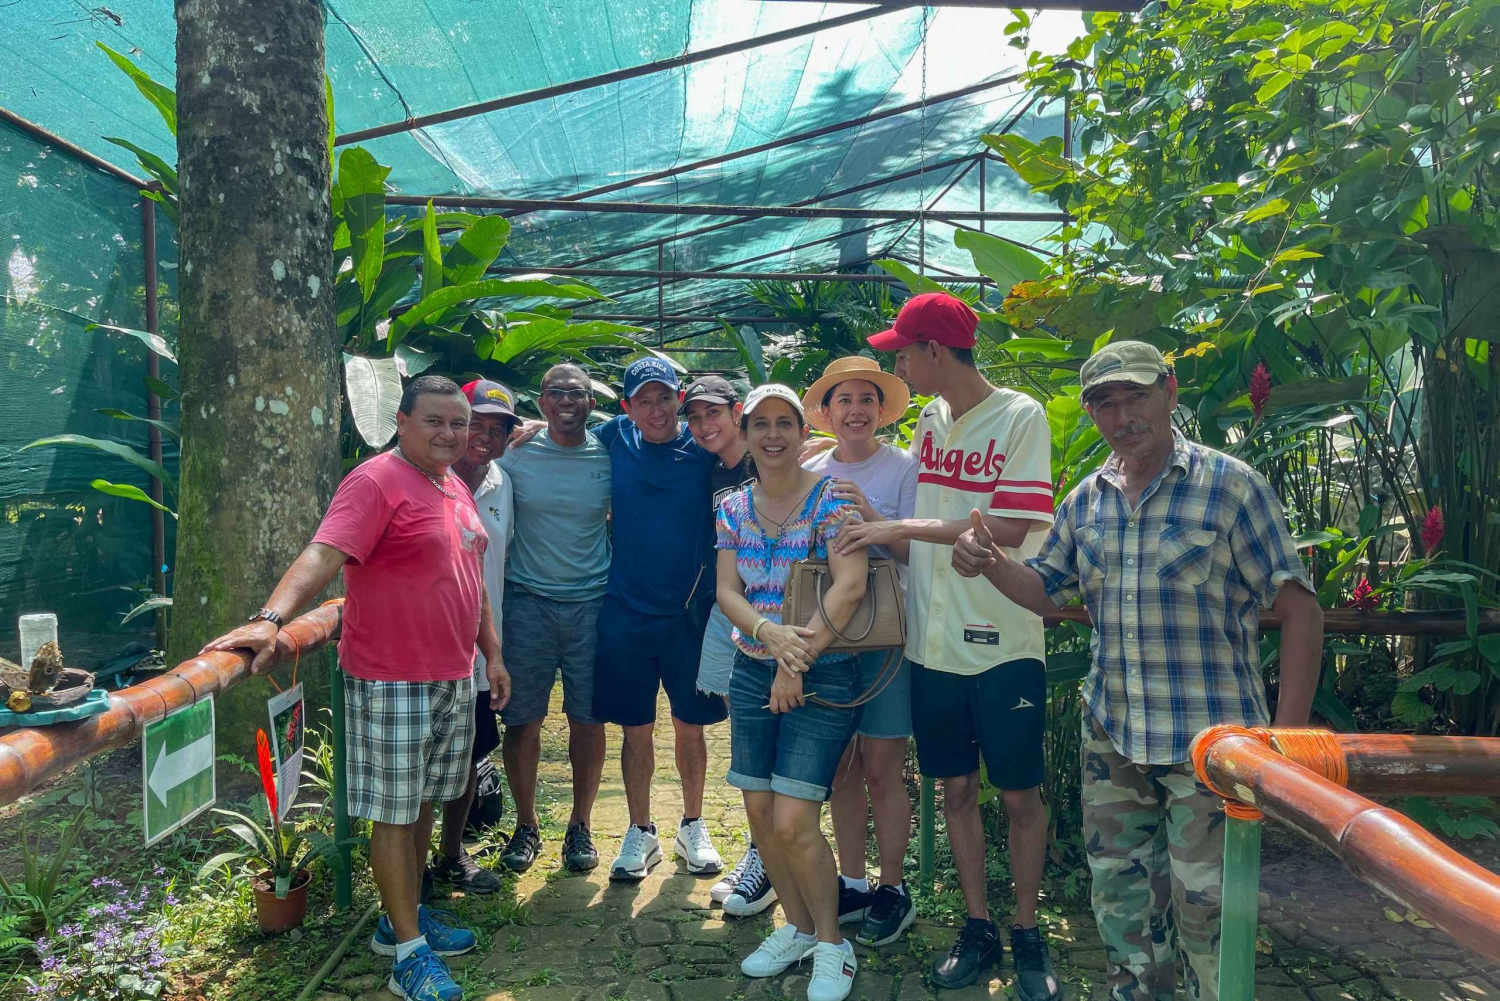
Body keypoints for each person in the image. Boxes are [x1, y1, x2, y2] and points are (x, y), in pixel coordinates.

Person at [951, 341, 1324, 1001]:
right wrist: (989, 562)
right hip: (1114, 737)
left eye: (1136, 397)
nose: (1123, 416)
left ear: (1169, 392)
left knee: (1208, 908)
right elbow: (1045, 590)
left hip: (1211, 745)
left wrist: (1285, 744)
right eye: (1106, 404)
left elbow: (1299, 610)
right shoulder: (1086, 501)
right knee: (1120, 901)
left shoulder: (1231, 486)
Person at [201, 375, 507, 1001]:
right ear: (401, 421)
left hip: (451, 673)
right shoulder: (376, 481)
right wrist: (270, 618)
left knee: (420, 802)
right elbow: (324, 553)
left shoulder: (450, 485)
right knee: (394, 814)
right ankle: (408, 955)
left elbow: (470, 580)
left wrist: (492, 656)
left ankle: (404, 920)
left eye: (459, 423)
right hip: (390, 677)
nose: (450, 433)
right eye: (435, 421)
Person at [838, 293, 1060, 997]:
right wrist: (868, 503)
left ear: (935, 350)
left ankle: (1028, 930)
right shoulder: (931, 421)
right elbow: (931, 514)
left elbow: (1013, 527)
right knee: (955, 789)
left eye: (903, 352)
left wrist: (895, 529)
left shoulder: (1020, 416)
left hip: (1004, 643)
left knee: (1020, 796)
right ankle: (978, 925)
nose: (898, 365)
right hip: (931, 645)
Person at [716, 384, 869, 1001]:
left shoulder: (832, 500)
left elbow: (851, 584)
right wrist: (767, 634)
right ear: (745, 434)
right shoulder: (732, 506)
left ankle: (833, 944)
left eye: (785, 423)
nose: (773, 435)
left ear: (804, 434)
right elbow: (727, 591)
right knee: (759, 814)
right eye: (761, 425)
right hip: (752, 667)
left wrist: (795, 657)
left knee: (793, 818)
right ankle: (799, 929)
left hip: (824, 670)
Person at [590, 358, 731, 880]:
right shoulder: (614, 437)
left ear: (679, 399)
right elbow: (563, 433)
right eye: (644, 401)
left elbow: (755, 446)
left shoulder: (703, 446)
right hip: (626, 610)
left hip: (689, 615)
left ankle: (693, 824)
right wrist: (529, 429)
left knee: (691, 726)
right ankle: (640, 830)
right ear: (627, 407)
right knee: (636, 729)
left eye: (665, 398)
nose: (656, 410)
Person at [799, 356, 919, 946]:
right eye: (843, 400)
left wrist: (873, 519)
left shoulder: (904, 468)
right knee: (842, 765)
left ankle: (892, 887)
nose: (855, 410)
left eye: (866, 400)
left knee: (883, 766)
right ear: (826, 412)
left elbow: (917, 555)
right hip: (829, 637)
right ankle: (851, 881)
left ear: (881, 410)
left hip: (888, 637)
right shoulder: (809, 470)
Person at [494, 363, 610, 873]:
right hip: (527, 602)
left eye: (577, 393)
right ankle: (526, 824)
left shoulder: (608, 453)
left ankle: (580, 824)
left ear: (591, 402)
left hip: (592, 604)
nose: (566, 401)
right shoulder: (514, 453)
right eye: (556, 392)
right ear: (540, 401)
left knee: (588, 719)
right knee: (522, 719)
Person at [678, 375, 768, 912]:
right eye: (695, 417)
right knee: (746, 732)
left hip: (773, 614)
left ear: (737, 413)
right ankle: (763, 851)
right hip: (725, 609)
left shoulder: (768, 457)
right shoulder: (705, 466)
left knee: (765, 729)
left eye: (713, 413)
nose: (704, 425)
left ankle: (770, 856)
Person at [426, 379, 519, 896]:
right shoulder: (422, 479)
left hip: (481, 651)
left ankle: (450, 853)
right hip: (421, 654)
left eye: (497, 428)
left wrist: (496, 652)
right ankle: (409, 865)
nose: (484, 436)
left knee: (470, 752)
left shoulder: (503, 483)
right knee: (418, 761)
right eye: (475, 424)